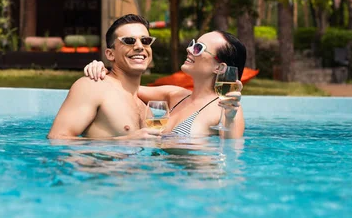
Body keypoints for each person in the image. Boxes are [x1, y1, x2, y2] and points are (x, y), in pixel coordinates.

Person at [84, 31, 246, 138]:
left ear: (220, 67)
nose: (189, 49)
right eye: (192, 44)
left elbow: (231, 154)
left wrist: (230, 119)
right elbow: (121, 86)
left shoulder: (226, 109)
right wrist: (102, 69)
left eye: (198, 48)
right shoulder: (174, 95)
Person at [47, 14, 163, 140]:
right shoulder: (93, 86)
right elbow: (57, 138)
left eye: (145, 41)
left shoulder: (145, 108)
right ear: (110, 54)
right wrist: (125, 140)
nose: (140, 47)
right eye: (129, 41)